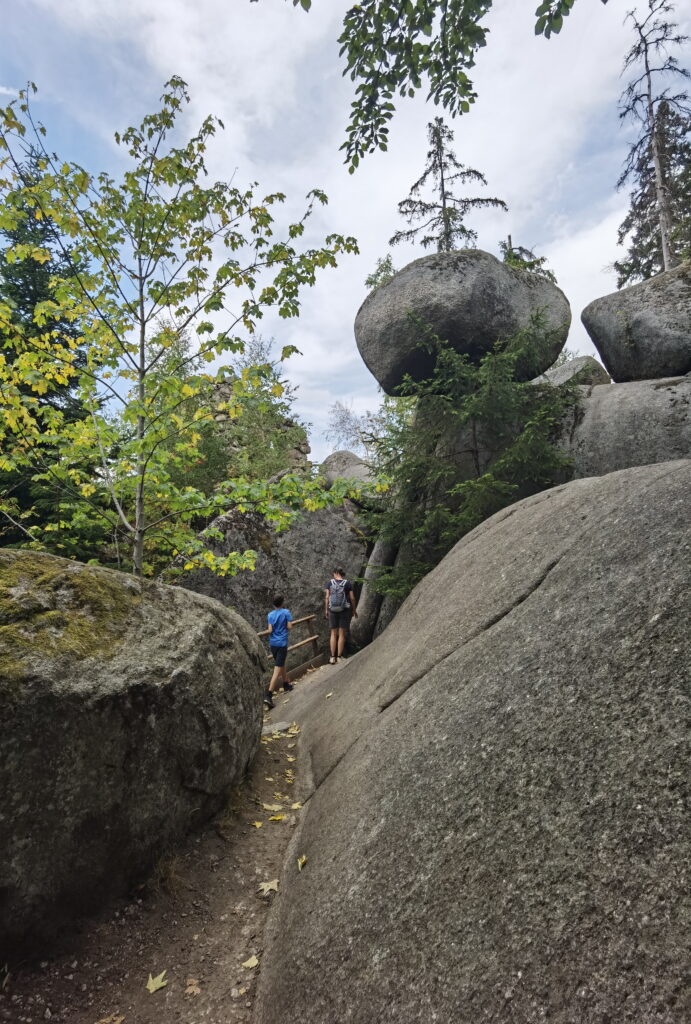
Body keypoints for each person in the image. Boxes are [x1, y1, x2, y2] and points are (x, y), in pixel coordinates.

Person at [264, 596, 294, 709]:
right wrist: (286, 624)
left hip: (273, 644)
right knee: (277, 668)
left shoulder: (270, 615)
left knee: (281, 664)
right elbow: (290, 626)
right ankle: (269, 695)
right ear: (282, 603)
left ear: (273, 604)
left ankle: (286, 684)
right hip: (282, 643)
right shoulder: (286, 612)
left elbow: (270, 630)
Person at [324, 567, 358, 665]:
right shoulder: (347, 583)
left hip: (332, 610)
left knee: (333, 634)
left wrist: (326, 610)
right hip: (344, 610)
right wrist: (354, 610)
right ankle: (339, 657)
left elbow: (327, 597)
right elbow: (352, 598)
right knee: (342, 634)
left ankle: (332, 657)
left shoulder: (329, 583)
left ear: (335, 573)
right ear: (342, 574)